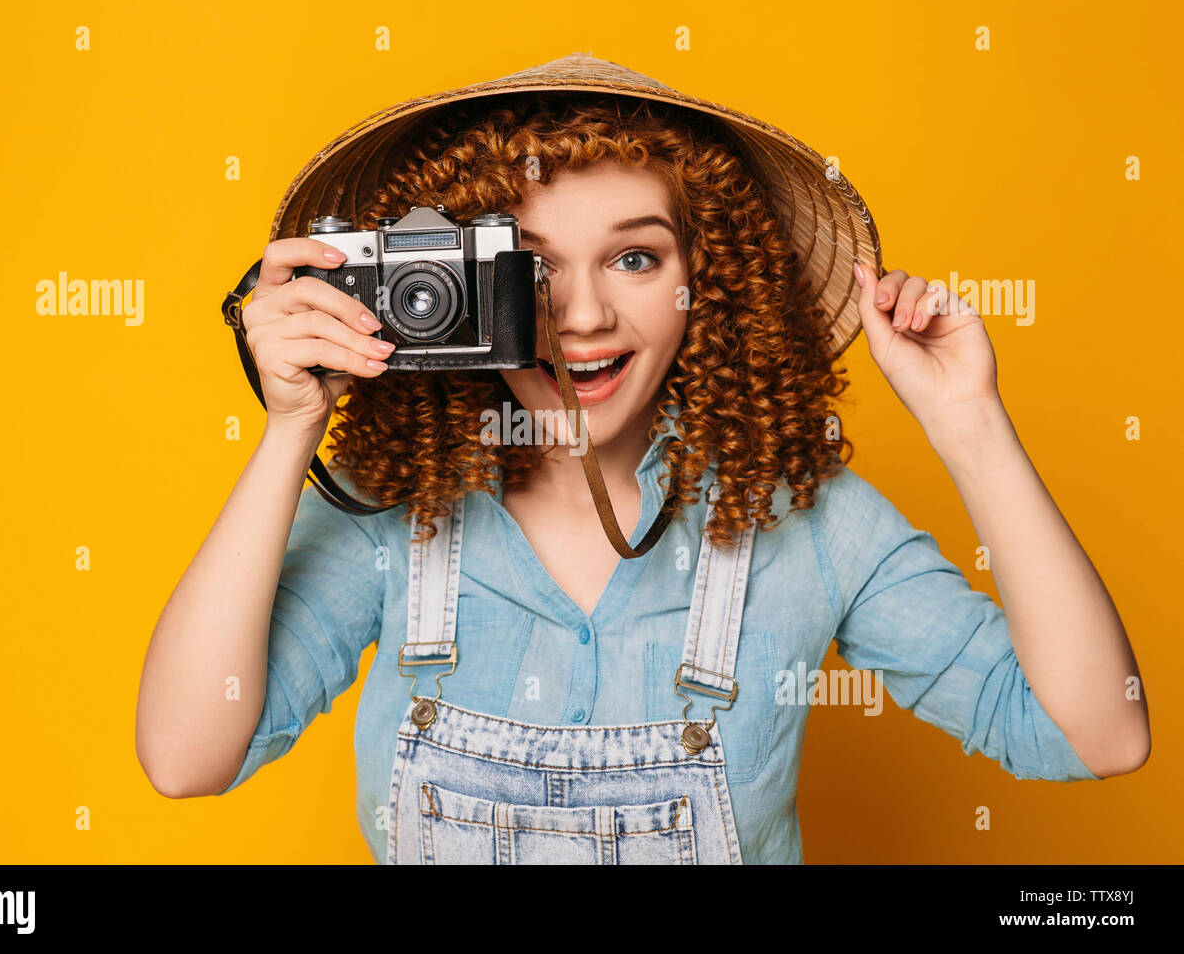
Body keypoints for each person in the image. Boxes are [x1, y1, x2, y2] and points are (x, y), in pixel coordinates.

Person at [135, 59, 1149, 864]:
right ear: (450, 286)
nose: (581, 315)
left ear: (706, 280)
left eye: (635, 256)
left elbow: (1097, 734)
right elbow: (184, 755)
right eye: (527, 266)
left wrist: (969, 423)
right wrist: (288, 431)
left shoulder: (806, 520)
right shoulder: (391, 512)